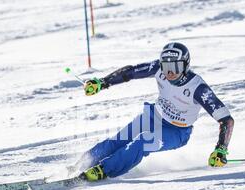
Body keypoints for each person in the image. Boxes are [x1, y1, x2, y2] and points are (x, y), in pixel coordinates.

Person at [75, 42, 234, 181]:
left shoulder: (198, 88)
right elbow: (131, 72)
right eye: (166, 67)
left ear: (185, 66)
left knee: (143, 141)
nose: (169, 73)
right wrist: (103, 82)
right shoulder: (158, 68)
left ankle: (104, 170)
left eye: (175, 67)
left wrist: (221, 148)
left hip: (177, 131)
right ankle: (80, 165)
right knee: (117, 140)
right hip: (152, 116)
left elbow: (226, 120)